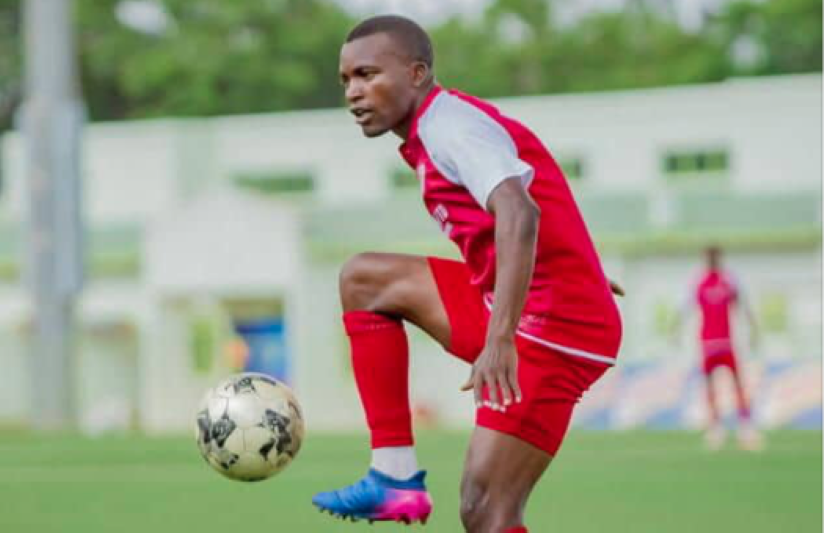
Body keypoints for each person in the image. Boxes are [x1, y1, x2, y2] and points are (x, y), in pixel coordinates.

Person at [311, 15, 623, 532]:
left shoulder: (450, 127)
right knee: (364, 279)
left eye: (367, 74)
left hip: (552, 330)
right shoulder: (432, 127)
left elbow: (521, 211)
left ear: (416, 73)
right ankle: (394, 477)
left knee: (486, 510)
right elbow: (538, 185)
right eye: (346, 80)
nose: (353, 92)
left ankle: (400, 480)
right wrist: (581, 269)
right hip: (520, 305)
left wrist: (500, 342)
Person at [672, 245, 762, 451]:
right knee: (710, 386)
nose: (712, 260)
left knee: (737, 384)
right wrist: (675, 331)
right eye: (709, 257)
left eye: (715, 256)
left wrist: (753, 329)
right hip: (707, 342)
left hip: (727, 341)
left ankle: (745, 427)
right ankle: (716, 427)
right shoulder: (698, 281)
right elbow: (685, 308)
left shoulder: (730, 279)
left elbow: (743, 305)